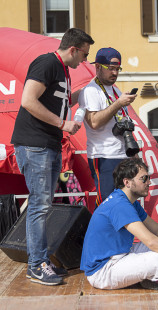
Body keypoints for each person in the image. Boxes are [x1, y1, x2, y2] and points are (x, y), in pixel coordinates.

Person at [11, 28, 94, 286]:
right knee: (40, 205)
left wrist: (93, 88)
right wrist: (62, 124)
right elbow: (28, 100)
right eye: (84, 55)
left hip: (48, 145)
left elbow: (61, 102)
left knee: (43, 206)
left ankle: (41, 261)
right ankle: (36, 265)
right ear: (73, 49)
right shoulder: (47, 63)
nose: (84, 61)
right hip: (35, 144)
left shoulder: (64, 71)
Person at [80, 158, 158, 291]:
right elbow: (151, 241)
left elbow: (157, 230)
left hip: (120, 255)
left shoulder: (129, 201)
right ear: (127, 182)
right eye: (144, 178)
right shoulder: (120, 204)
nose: (149, 182)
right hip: (102, 271)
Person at [78, 47, 137, 208]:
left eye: (117, 69)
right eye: (111, 68)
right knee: (108, 206)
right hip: (104, 156)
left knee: (126, 206)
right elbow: (94, 122)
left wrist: (134, 153)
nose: (115, 73)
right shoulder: (91, 90)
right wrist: (118, 104)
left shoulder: (115, 90)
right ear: (97, 66)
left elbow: (123, 121)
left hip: (123, 155)